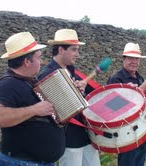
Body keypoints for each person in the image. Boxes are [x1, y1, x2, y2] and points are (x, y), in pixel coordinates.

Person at [0, 32, 65, 166]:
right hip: (21, 162)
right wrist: (34, 110)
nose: (42, 62)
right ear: (27, 61)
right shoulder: (7, 84)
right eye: (38, 58)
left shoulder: (30, 81)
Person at [38, 29, 101, 166]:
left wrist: (81, 91)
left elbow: (84, 100)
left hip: (85, 135)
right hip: (69, 140)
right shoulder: (47, 75)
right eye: (74, 50)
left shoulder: (71, 70)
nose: (77, 54)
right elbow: (55, 112)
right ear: (61, 50)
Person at [107, 42, 146, 166]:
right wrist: (142, 88)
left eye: (136, 58)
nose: (134, 61)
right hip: (127, 136)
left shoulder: (139, 78)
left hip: (143, 133)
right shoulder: (116, 79)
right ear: (123, 59)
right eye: (130, 58)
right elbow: (112, 107)